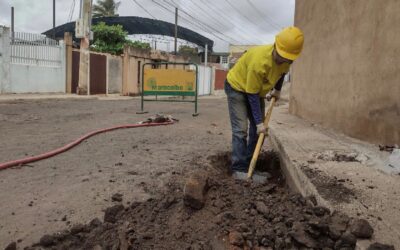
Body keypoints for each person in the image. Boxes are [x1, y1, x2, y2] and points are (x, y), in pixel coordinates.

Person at [224, 26, 304, 179]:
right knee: (241, 129)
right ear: (276, 46)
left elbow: (282, 72)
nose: (284, 61)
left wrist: (277, 90)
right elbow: (251, 94)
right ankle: (239, 169)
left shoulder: (287, 59)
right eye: (282, 57)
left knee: (258, 131)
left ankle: (249, 167)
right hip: (237, 87)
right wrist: (259, 122)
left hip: (256, 91)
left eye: (288, 59)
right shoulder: (259, 61)